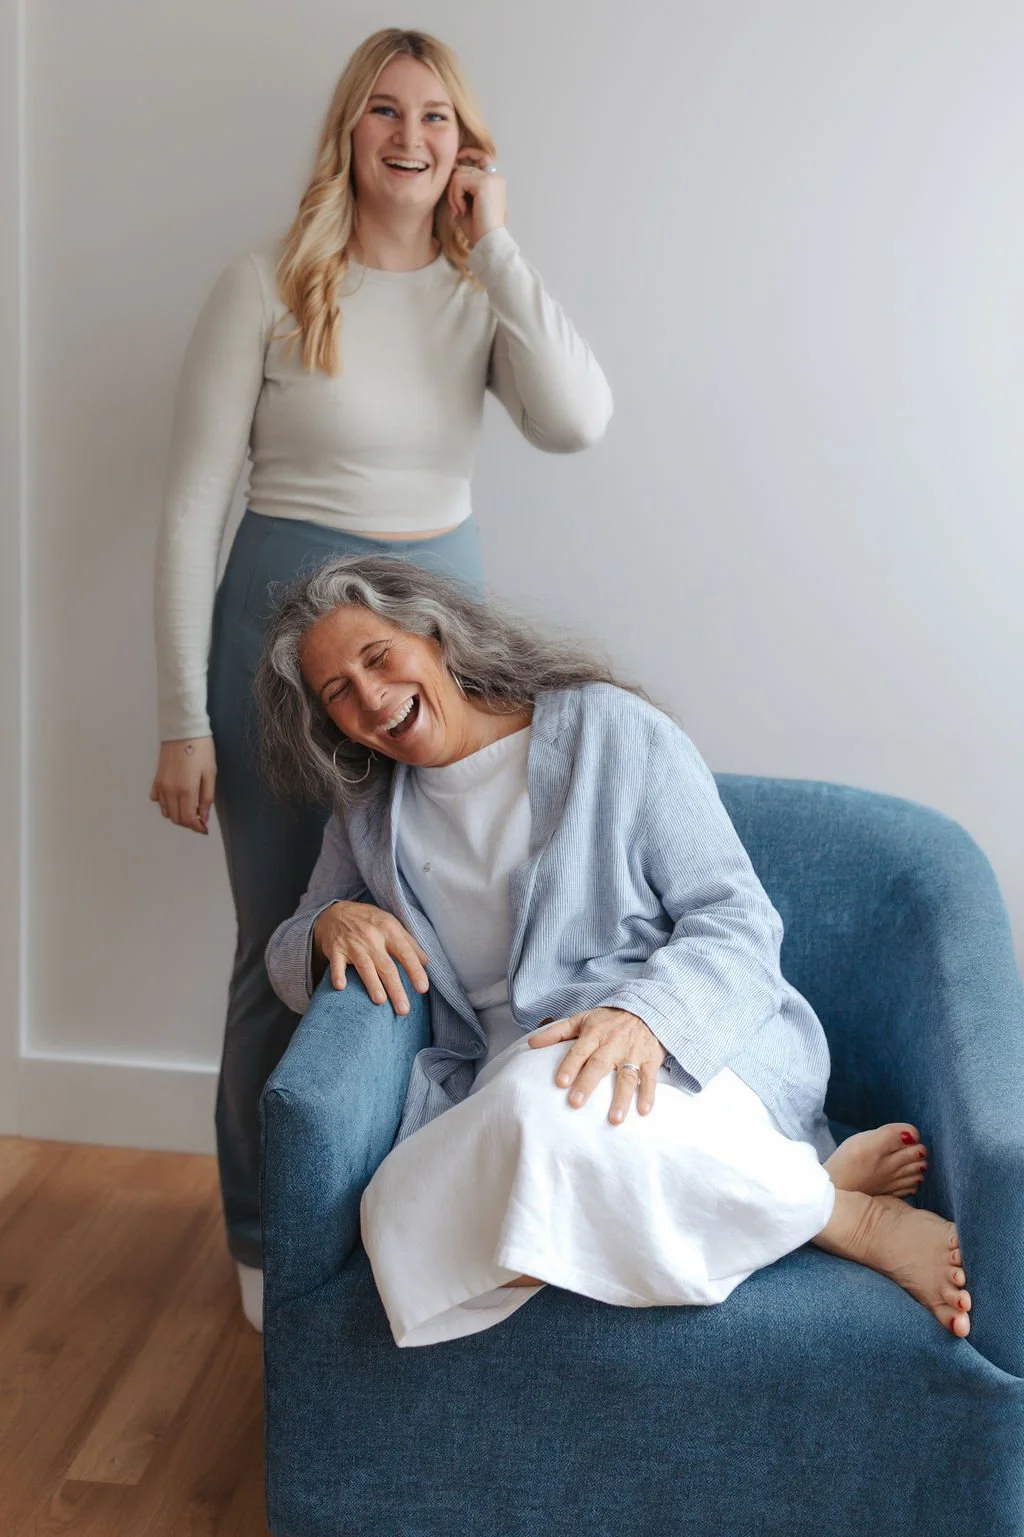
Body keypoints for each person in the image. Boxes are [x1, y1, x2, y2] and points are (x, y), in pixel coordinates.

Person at [149, 27, 612, 1326]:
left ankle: (406, 1199)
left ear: (469, 152)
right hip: (280, 645)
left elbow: (577, 417)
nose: (412, 139)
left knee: (441, 929)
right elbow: (191, 511)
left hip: (438, 641)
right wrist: (181, 717)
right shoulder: (267, 284)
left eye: (440, 121)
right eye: (387, 115)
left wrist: (500, 244)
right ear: (348, 132)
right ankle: (258, 1239)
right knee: (286, 942)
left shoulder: (480, 294)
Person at [257, 554, 972, 1347]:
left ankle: (860, 1222)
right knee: (396, 1210)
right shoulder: (367, 810)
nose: (370, 698)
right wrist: (326, 928)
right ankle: (811, 1196)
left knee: (537, 1145)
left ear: (430, 632)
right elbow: (287, 953)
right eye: (338, 694)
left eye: (377, 657)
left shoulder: (610, 730)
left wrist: (646, 1016)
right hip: (507, 1078)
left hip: (683, 1047)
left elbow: (738, 919)